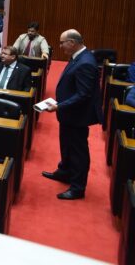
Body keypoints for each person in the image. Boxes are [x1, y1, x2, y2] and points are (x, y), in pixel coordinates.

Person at [42, 29, 102, 200]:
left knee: (78, 151)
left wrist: (59, 106)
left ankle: (77, 188)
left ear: (73, 42)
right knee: (66, 144)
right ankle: (65, 172)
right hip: (69, 113)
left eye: (62, 43)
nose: (60, 46)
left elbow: (84, 94)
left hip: (78, 116)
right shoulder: (78, 57)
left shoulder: (86, 63)